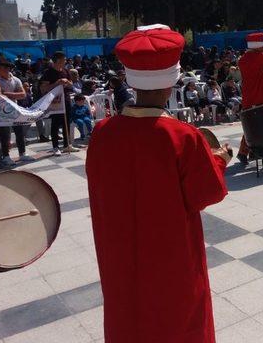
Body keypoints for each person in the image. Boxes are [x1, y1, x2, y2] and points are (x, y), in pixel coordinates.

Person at [86, 24, 231, 343]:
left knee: (129, 321)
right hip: (172, 263)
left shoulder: (101, 135)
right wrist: (219, 158)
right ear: (172, 82)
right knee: (179, 324)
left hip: (122, 260)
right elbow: (208, 192)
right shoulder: (183, 137)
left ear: (129, 80)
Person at [237, 32, 263, 165]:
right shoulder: (258, 57)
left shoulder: (243, 58)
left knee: (251, 126)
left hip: (249, 95)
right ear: (258, 46)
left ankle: (251, 152)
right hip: (259, 95)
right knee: (256, 126)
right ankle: (245, 152)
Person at [0, 61, 34, 166]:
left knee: (19, 132)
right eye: (0, 68)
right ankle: (6, 156)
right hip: (2, 111)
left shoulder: (16, 80)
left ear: (8, 69)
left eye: (4, 68)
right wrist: (11, 95)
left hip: (15, 109)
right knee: (5, 134)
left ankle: (22, 153)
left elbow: (23, 94)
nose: (1, 70)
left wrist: (7, 94)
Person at [40, 51, 80, 156]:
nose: (65, 61)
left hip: (66, 99)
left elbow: (71, 84)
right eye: (64, 59)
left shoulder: (66, 71)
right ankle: (55, 146)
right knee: (55, 124)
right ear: (58, 60)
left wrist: (67, 82)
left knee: (66, 122)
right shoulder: (48, 72)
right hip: (55, 101)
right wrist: (57, 83)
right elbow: (43, 89)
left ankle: (67, 145)